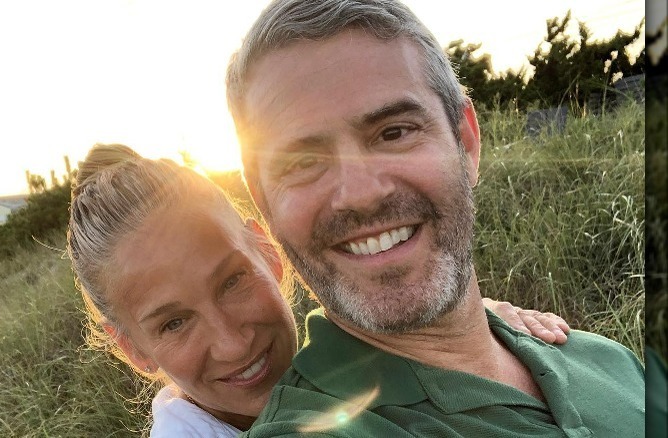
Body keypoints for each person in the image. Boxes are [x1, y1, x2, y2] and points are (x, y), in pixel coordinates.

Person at [224, 0, 646, 436]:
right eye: (301, 162)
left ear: (465, 141)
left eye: (394, 132)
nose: (362, 195)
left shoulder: (612, 362)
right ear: (264, 203)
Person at [66, 143, 571, 437]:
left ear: (268, 253)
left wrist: (468, 332)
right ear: (132, 348)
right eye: (174, 323)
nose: (233, 343)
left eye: (233, 280)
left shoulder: (336, 363)